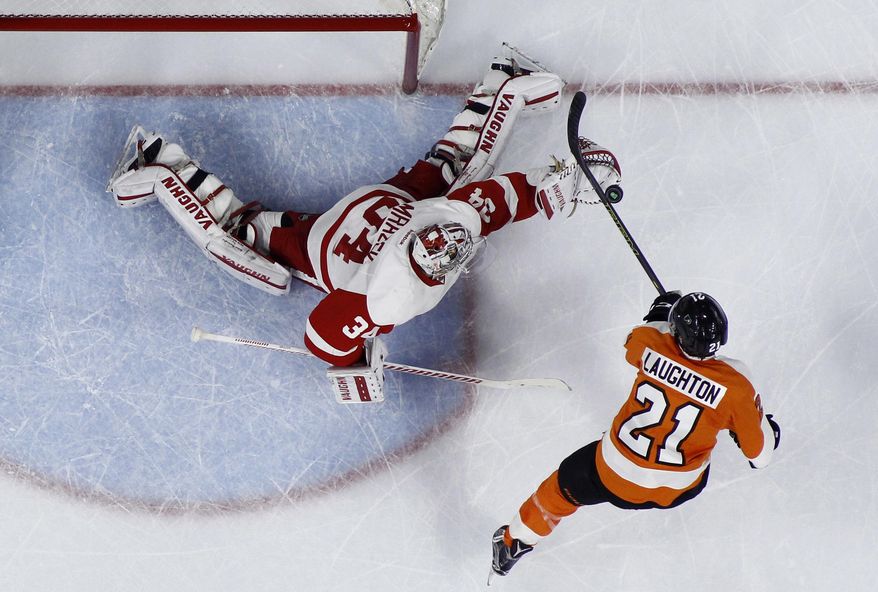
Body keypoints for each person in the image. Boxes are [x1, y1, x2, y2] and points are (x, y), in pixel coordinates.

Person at [106, 54, 623, 403]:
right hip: (326, 246)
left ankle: (504, 82)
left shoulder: (450, 221)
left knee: (454, 170)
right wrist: (356, 359)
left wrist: (567, 181)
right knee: (247, 244)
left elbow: (502, 200)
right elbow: (320, 337)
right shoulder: (387, 299)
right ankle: (157, 170)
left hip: (385, 209)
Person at [490, 291, 781, 578]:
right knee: (714, 430)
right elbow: (760, 457)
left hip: (613, 475)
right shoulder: (737, 385)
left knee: (558, 491)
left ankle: (511, 544)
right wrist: (754, 425)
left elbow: (636, 339)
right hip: (680, 488)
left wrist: (660, 312)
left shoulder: (651, 343)